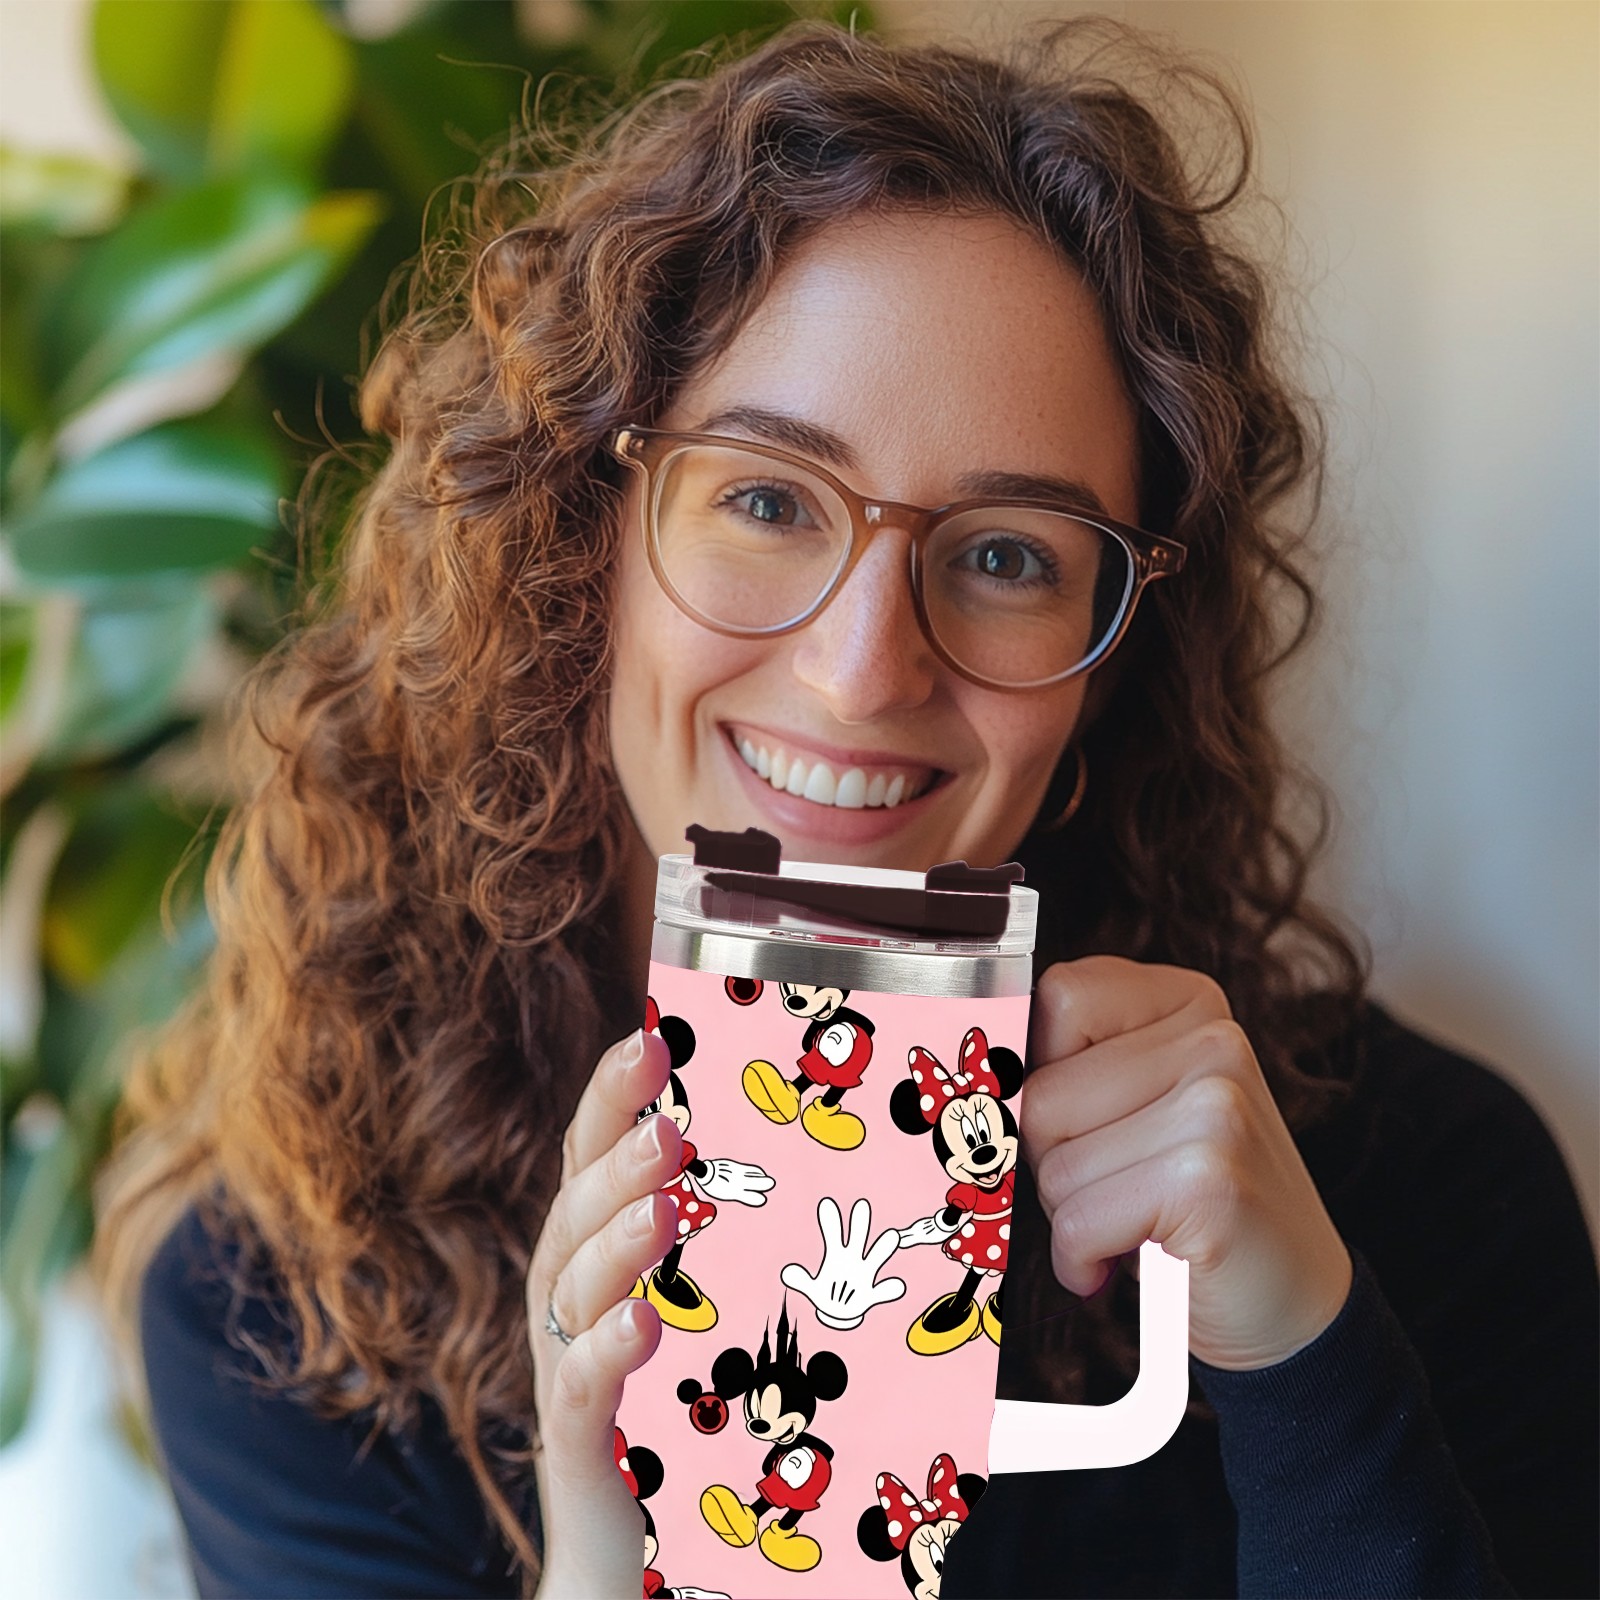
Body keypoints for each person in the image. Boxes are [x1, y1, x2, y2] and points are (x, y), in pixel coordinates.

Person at [95, 17, 1598, 1600]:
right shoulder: (292, 1300)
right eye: (765, 499)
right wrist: (609, 1558)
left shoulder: (1419, 1193)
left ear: (1112, 663)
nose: (864, 671)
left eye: (1007, 554)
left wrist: (1306, 1367)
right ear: (580, 548)